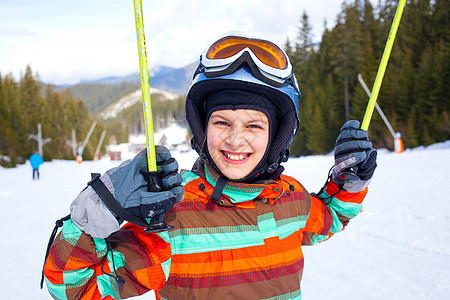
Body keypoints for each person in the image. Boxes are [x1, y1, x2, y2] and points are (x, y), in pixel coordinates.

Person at [42, 34, 377, 299]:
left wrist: (350, 181)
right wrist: (98, 210)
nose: (235, 140)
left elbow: (331, 217)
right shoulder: (172, 216)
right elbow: (74, 289)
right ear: (202, 129)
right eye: (221, 122)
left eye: (253, 126)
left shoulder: (290, 199)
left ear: (278, 135)